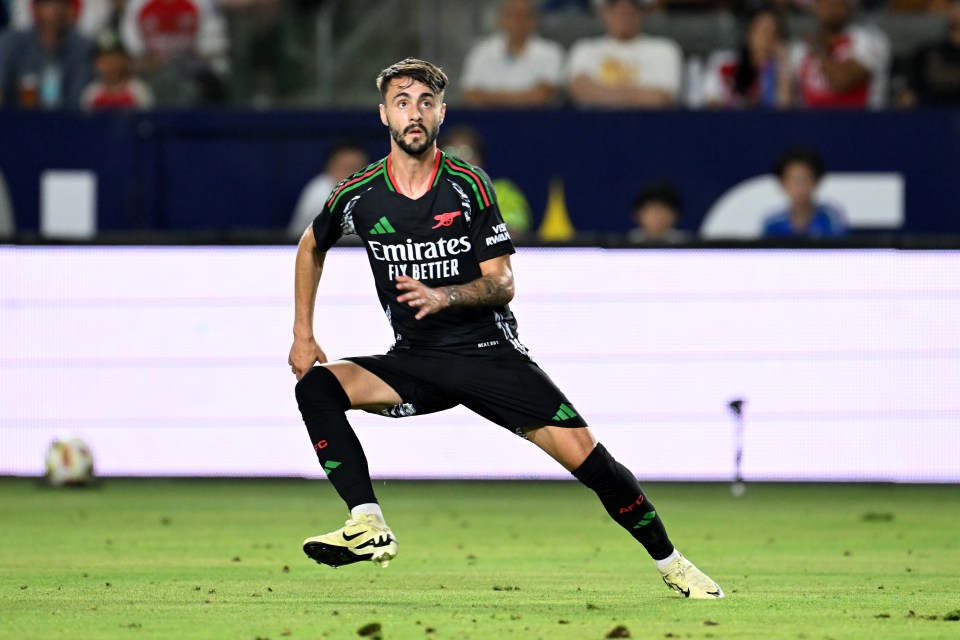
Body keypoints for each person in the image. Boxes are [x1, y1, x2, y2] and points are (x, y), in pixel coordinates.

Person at [288, 57, 724, 599]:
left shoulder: (468, 185)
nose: (414, 113)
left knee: (594, 463)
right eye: (402, 102)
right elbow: (311, 245)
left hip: (490, 355)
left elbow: (503, 282)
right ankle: (367, 521)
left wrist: (444, 294)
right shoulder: (360, 192)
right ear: (385, 115)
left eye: (425, 102)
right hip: (415, 359)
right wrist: (303, 333)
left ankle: (674, 564)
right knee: (318, 386)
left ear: (441, 113)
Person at [566, 0, 683, 108]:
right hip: (593, 124)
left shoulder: (663, 50)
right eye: (614, 7)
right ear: (603, 13)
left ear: (643, 13)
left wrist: (601, 93)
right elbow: (579, 90)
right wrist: (636, 95)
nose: (623, 13)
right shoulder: (585, 48)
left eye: (631, 8)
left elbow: (660, 97)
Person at [119, 0, 229, 106]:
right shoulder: (138, 4)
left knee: (203, 83)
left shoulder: (201, 3)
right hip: (153, 69)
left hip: (191, 66)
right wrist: (145, 58)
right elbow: (132, 46)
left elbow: (213, 45)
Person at [460, 0, 564, 108]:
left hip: (536, 121)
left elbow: (542, 95)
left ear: (534, 20)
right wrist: (524, 96)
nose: (517, 21)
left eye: (523, 15)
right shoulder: (480, 52)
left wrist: (489, 96)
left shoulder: (551, 53)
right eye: (511, 15)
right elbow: (470, 95)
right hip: (488, 121)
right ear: (501, 19)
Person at [790, 0, 890, 108]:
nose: (832, 8)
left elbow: (841, 83)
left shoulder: (869, 40)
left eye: (838, 3)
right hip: (810, 121)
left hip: (860, 119)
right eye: (825, 3)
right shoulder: (800, 48)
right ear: (815, 7)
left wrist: (819, 50)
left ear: (850, 7)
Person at [439, 124, 533, 238]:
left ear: (480, 161)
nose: (458, 159)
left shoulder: (503, 191)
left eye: (466, 152)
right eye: (449, 151)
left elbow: (515, 233)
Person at [0, 0, 94, 109]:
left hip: (69, 121)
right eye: (48, 4)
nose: (55, 10)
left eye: (61, 4)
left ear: (71, 10)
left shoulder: (85, 48)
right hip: (17, 121)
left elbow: (82, 99)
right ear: (36, 8)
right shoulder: (12, 42)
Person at [702, 5, 792, 109]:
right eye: (764, 30)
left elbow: (784, 112)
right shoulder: (724, 63)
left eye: (775, 32)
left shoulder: (780, 68)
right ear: (749, 33)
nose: (769, 37)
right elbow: (711, 104)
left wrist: (784, 62)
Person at [288, 140, 370, 238]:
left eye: (357, 168)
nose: (351, 175)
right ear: (330, 168)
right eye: (344, 168)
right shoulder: (318, 192)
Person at [762, 146, 847, 238]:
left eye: (804, 179)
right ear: (782, 183)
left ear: (816, 181)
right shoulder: (773, 223)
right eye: (793, 180)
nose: (799, 187)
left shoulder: (830, 219)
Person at [899, 0, 960, 107]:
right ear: (948, 11)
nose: (957, 10)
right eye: (955, 6)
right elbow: (908, 94)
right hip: (929, 116)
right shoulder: (925, 53)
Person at [80, 31, 153, 109]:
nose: (109, 62)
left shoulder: (139, 90)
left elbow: (146, 119)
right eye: (104, 58)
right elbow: (85, 119)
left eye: (114, 57)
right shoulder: (91, 93)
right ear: (96, 62)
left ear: (125, 59)